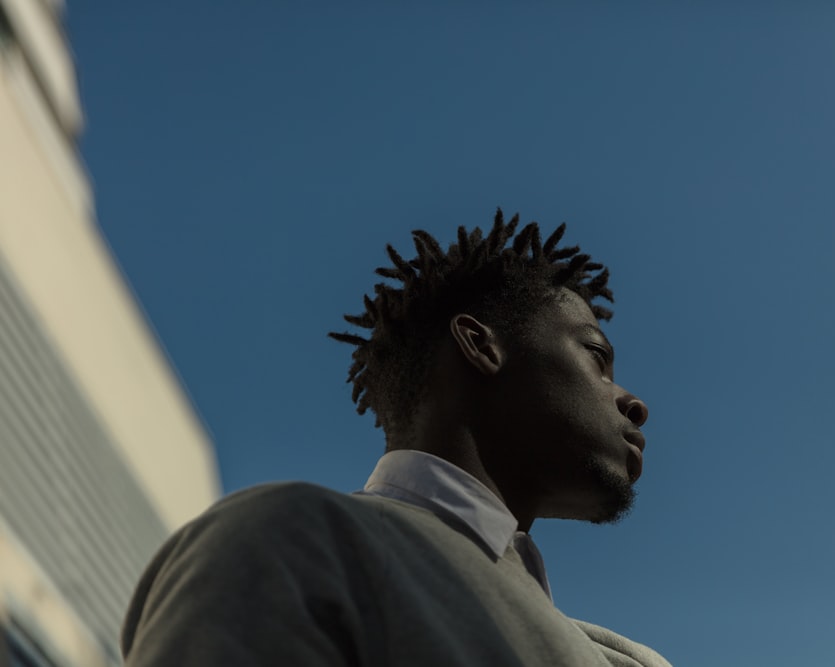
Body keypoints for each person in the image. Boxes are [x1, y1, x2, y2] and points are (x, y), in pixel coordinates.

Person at [120, 210, 671, 666]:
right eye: (597, 358)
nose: (632, 401)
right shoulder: (295, 543)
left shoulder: (623, 660)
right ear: (481, 347)